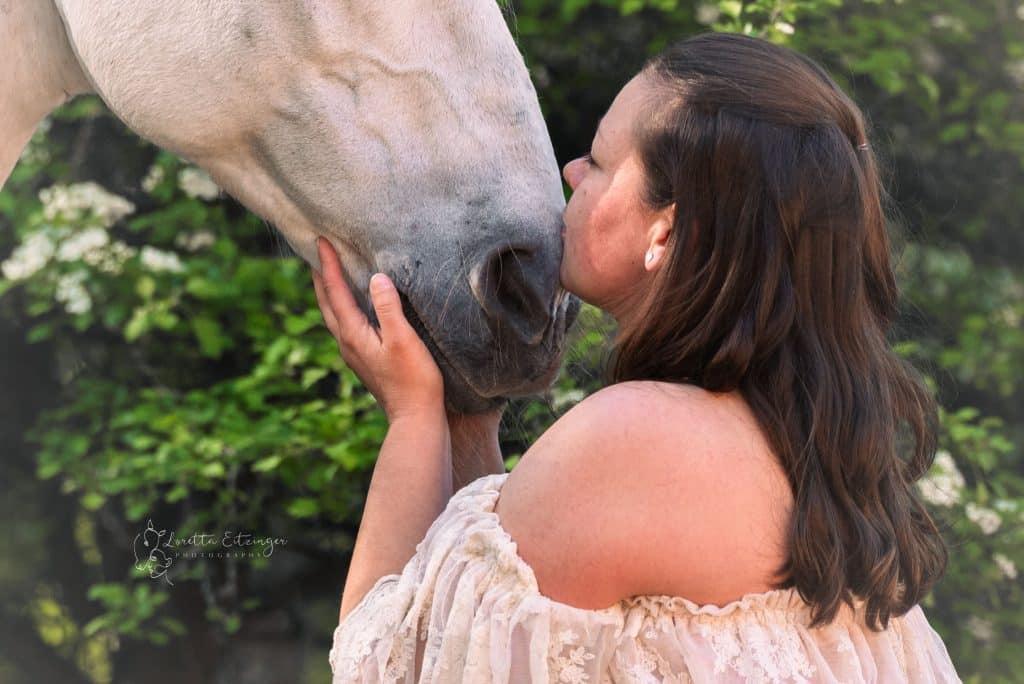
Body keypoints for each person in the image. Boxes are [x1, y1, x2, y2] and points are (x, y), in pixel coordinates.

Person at [313, 32, 962, 683]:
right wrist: (471, 416)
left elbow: (392, 667)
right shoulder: (811, 442)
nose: (571, 173)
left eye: (597, 162)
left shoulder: (631, 440)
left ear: (666, 231)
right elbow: (482, 614)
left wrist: (412, 413)